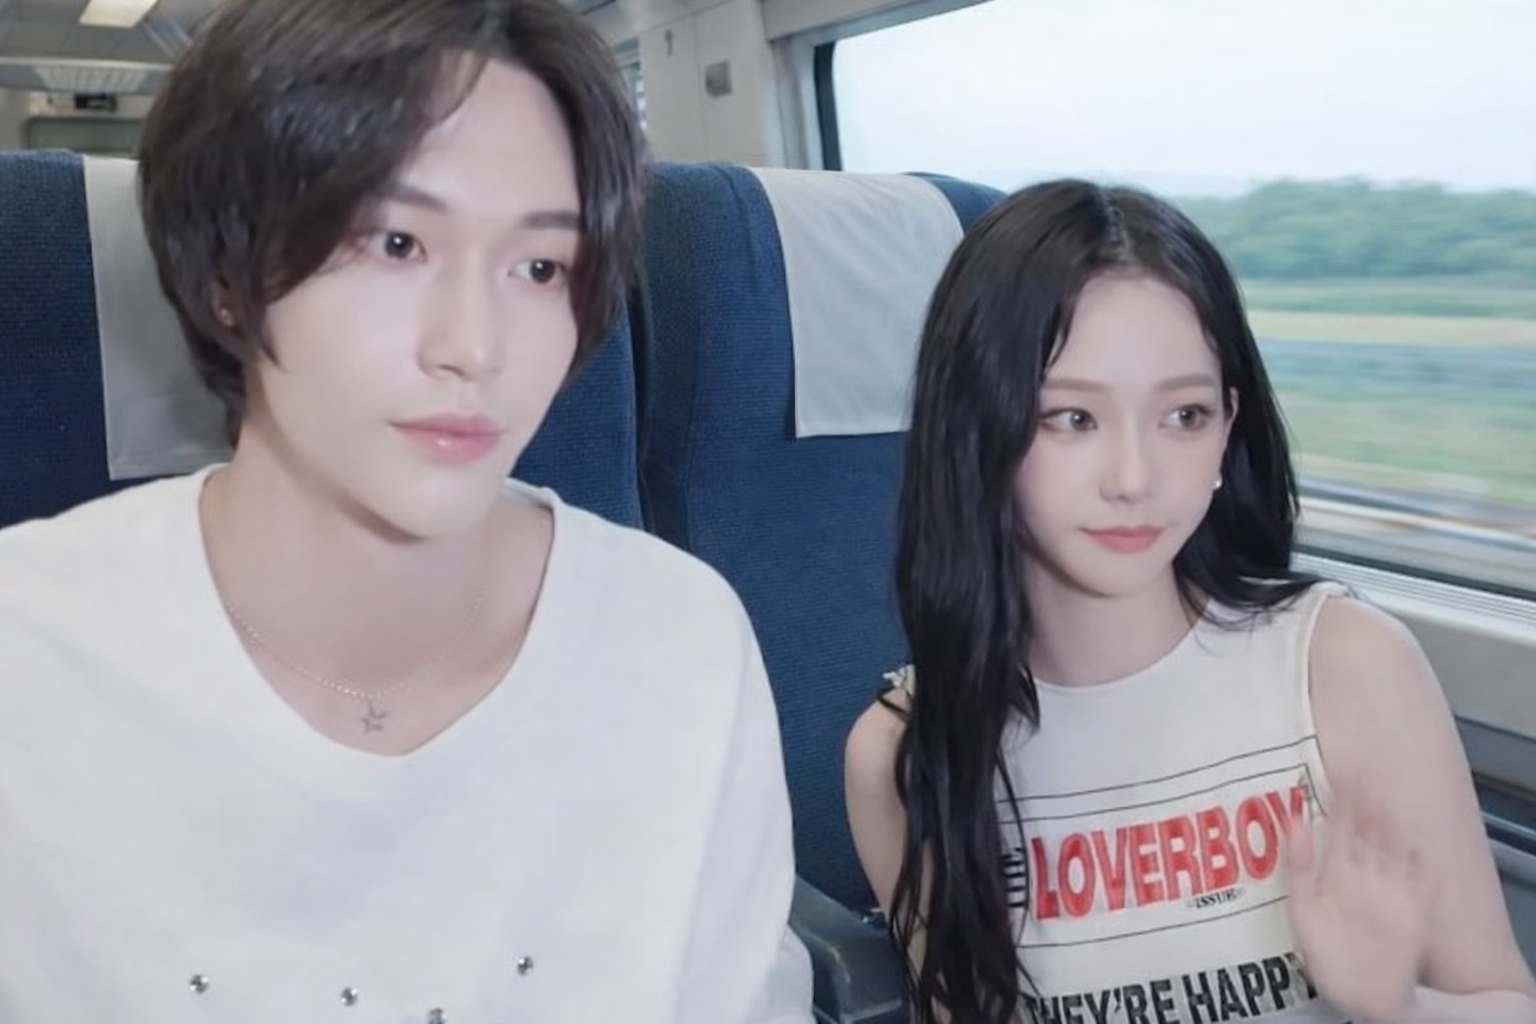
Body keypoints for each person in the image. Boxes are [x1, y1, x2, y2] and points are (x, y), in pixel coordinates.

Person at [0, 1, 812, 1020]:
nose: (474, 345)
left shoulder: (678, 639)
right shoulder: (26, 651)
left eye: (540, 267)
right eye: (394, 242)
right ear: (224, 278)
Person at [844, 179, 1536, 1024]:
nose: (1135, 478)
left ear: (1228, 427)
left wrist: (1396, 1006)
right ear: (976, 428)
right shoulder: (906, 754)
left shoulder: (1347, 666)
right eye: (1072, 418)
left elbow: (1506, 1001)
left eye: (1184, 415)